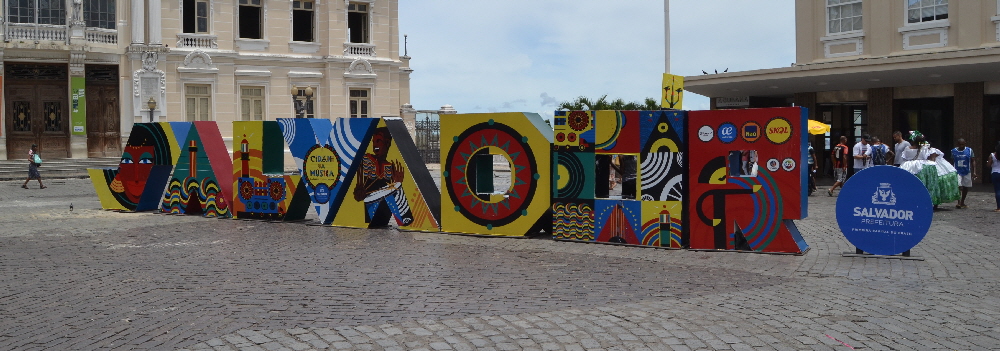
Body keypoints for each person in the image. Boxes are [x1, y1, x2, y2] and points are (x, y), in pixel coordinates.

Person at [899, 132, 960, 208]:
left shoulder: (907, 149)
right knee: (929, 184)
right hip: (924, 166)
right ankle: (931, 201)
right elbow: (930, 155)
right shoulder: (925, 148)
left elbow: (905, 157)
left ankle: (911, 200)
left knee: (910, 184)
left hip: (909, 167)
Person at [950, 138, 977, 209]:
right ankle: (958, 202)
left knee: (965, 187)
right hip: (957, 171)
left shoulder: (969, 150)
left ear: (965, 144)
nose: (961, 146)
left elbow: (973, 160)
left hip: (967, 171)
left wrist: (974, 171)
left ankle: (962, 201)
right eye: (960, 144)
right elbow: (952, 161)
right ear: (957, 144)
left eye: (963, 144)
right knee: (958, 186)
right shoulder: (953, 151)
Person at [988, 142, 1000, 212]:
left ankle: (999, 207)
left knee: (998, 190)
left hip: (995, 173)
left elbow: (988, 165)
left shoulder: (992, 155)